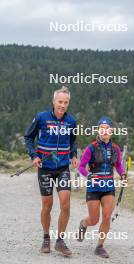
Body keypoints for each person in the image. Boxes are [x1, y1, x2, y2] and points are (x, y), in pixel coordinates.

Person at [24, 86, 78, 256]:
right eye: (60, 101)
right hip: (45, 168)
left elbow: (73, 141)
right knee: (47, 205)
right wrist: (34, 156)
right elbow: (28, 137)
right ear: (54, 101)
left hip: (62, 167)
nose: (62, 105)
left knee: (66, 203)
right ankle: (46, 238)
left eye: (66, 102)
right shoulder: (41, 117)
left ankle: (60, 241)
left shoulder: (71, 121)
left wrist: (74, 154)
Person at [77, 117, 126, 258]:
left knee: (106, 216)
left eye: (107, 128)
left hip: (108, 186)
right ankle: (84, 224)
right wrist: (89, 175)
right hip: (93, 187)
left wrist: (122, 174)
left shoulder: (115, 148)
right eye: (102, 128)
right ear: (98, 131)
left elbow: (118, 165)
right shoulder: (91, 148)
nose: (105, 131)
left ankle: (99, 246)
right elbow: (81, 167)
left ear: (111, 131)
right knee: (94, 219)